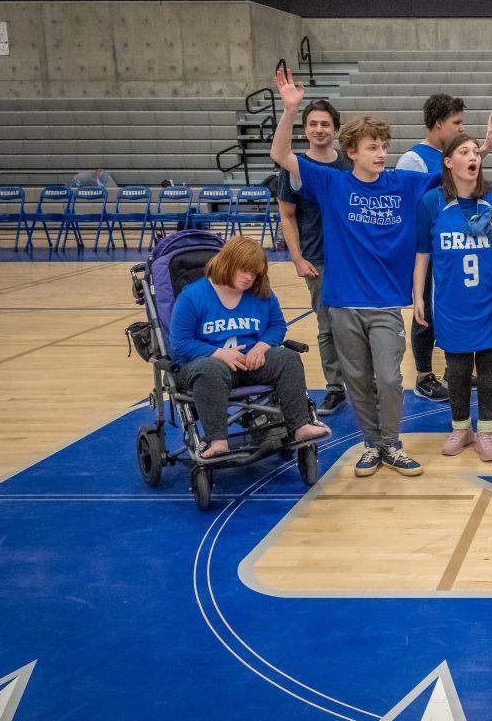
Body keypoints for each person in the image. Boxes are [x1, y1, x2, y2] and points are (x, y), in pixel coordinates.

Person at [271, 64, 435, 478]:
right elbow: (280, 155)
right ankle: (372, 444)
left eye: (384, 146)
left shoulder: (403, 182)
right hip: (342, 301)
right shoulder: (331, 183)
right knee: (358, 379)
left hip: (384, 304)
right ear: (352, 152)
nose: (381, 153)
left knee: (389, 377)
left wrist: (475, 154)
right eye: (373, 147)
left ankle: (393, 443)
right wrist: (290, 109)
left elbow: (451, 176)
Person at [414, 134, 492, 463]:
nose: (473, 156)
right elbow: (421, 254)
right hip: (449, 304)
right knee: (457, 371)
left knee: (491, 370)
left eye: (476, 151)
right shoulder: (432, 202)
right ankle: (461, 428)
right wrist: (418, 296)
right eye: (464, 152)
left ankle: (486, 431)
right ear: (449, 162)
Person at [170, 236, 329, 459]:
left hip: (250, 364)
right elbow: (179, 344)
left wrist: (262, 347)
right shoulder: (193, 296)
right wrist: (219, 353)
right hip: (206, 367)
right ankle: (217, 441)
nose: (248, 278)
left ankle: (300, 427)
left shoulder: (260, 293)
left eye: (254, 273)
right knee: (210, 369)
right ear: (228, 263)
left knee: (288, 358)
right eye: (243, 270)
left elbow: (276, 325)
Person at [397, 93, 492, 403]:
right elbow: (415, 204)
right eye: (456, 123)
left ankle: (461, 369)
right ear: (439, 124)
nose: (461, 128)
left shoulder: (451, 157)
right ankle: (424, 375)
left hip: (452, 248)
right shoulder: (413, 159)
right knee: (425, 309)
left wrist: (478, 154)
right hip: (428, 244)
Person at [276, 98, 352, 416]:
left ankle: (367, 383)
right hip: (318, 259)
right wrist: (297, 258)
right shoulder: (295, 168)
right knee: (327, 327)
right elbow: (287, 215)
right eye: (313, 124)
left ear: (335, 129)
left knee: (360, 323)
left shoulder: (349, 163)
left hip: (351, 259)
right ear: (305, 129)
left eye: (325, 124)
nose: (319, 129)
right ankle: (336, 388)